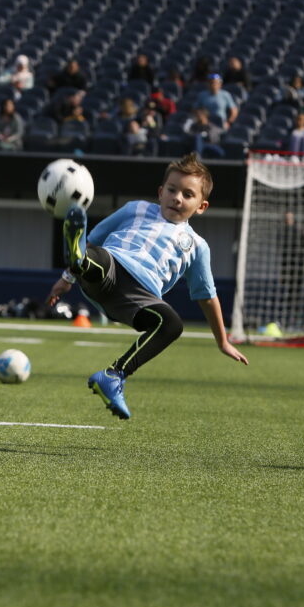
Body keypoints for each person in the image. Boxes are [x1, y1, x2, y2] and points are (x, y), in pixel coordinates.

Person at [47, 153, 248, 418]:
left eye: (188, 195)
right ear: (161, 192)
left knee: (172, 324)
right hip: (111, 267)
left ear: (202, 206)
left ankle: (114, 375)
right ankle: (79, 263)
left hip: (138, 298)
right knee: (93, 254)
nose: (177, 197)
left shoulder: (197, 246)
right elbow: (93, 237)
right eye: (172, 190)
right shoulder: (135, 209)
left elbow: (207, 296)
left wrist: (222, 341)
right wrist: (67, 277)